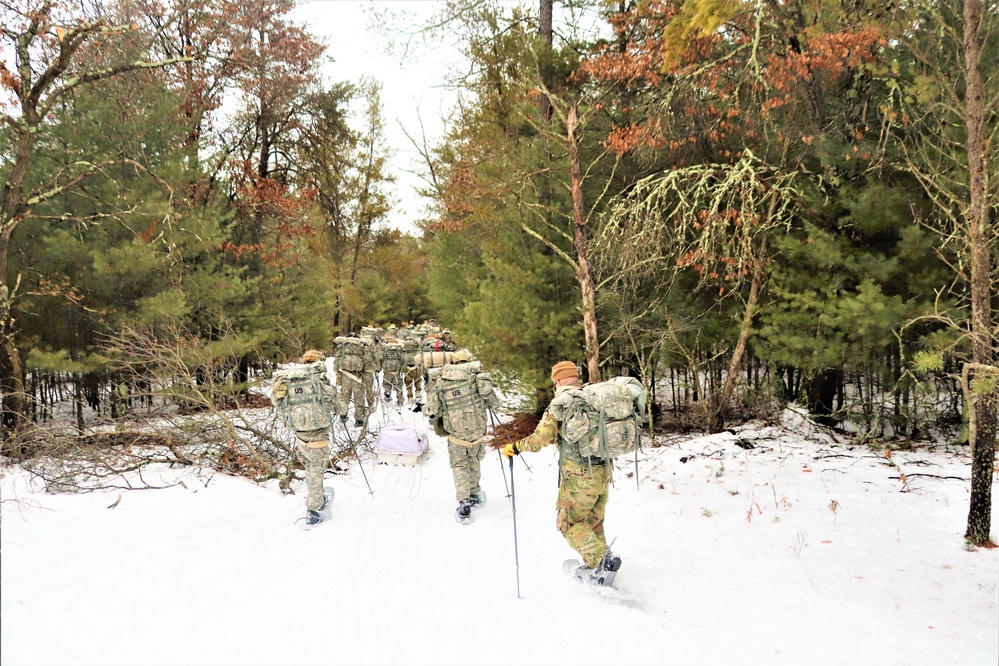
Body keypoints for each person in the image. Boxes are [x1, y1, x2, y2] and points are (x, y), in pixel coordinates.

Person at [503, 360, 623, 582]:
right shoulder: (595, 397)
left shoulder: (563, 403)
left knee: (569, 524)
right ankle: (599, 566)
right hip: (604, 471)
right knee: (593, 521)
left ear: (557, 381)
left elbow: (540, 439)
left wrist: (516, 447)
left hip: (579, 477)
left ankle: (602, 559)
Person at [271, 349, 347, 526]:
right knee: (316, 471)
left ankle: (317, 497)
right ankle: (314, 509)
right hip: (318, 435)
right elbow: (340, 407)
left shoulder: (288, 381)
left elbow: (277, 402)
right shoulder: (319, 382)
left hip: (299, 435)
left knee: (311, 469)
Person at [425, 350, 501, 522]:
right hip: (477, 432)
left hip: (456, 434)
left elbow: (432, 409)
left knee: (459, 465)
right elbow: (495, 404)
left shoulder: (441, 382)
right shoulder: (476, 378)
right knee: (474, 461)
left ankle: (464, 502)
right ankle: (474, 493)